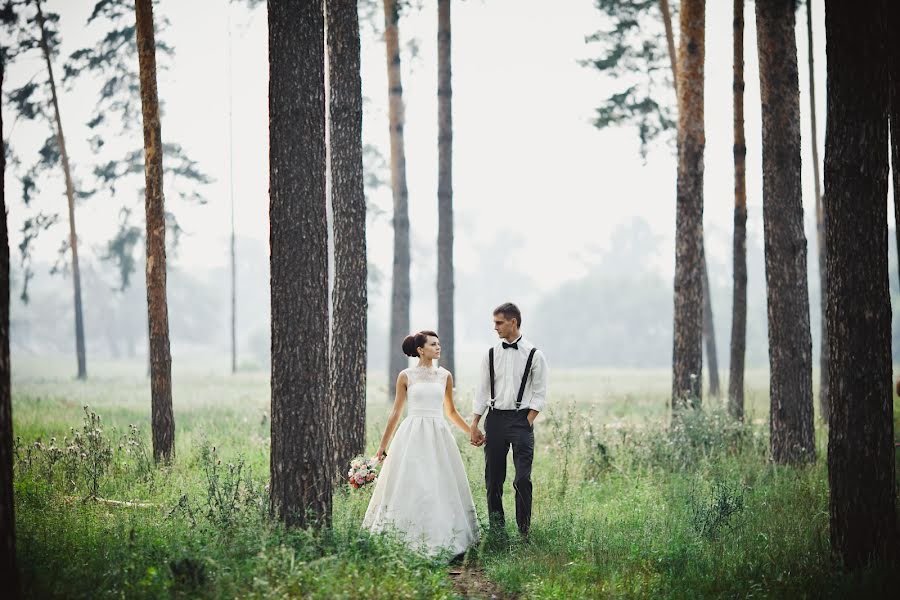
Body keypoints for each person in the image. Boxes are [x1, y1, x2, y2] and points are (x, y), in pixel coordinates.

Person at [362, 330, 479, 558]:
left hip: (438, 434)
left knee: (438, 484)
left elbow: (451, 412)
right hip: (412, 434)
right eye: (433, 344)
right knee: (412, 483)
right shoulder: (406, 376)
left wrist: (471, 431)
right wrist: (382, 446)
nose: (438, 348)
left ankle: (444, 538)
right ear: (420, 350)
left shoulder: (445, 375)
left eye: (439, 344)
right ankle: (403, 539)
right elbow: (396, 412)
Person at [469, 302, 548, 536]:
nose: (495, 328)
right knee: (493, 480)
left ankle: (524, 532)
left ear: (513, 322)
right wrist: (474, 424)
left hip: (521, 421)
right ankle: (497, 532)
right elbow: (481, 391)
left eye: (499, 323)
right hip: (494, 420)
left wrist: (528, 420)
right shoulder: (490, 354)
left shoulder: (535, 354)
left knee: (522, 479)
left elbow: (540, 393)